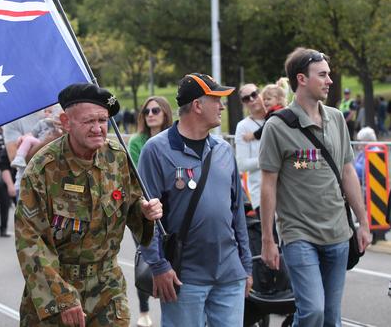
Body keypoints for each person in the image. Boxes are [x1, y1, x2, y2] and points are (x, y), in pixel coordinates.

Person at [15, 83, 163, 326]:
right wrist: (62, 297)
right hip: (56, 286)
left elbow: (133, 206)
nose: (98, 129)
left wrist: (145, 212)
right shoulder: (43, 168)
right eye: (88, 122)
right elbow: (31, 241)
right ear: (66, 121)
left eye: (103, 120)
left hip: (107, 286)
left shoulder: (117, 158)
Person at [259, 48, 372, 326]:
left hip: (338, 234)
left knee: (332, 318)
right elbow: (268, 185)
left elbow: (347, 172)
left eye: (329, 74)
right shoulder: (277, 126)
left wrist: (364, 222)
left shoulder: (335, 118)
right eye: (322, 75)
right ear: (302, 79)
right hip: (299, 236)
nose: (329, 81)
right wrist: (268, 239)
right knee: (312, 312)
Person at [139, 73, 252, 327]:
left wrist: (246, 265)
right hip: (182, 277)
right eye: (216, 100)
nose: (222, 106)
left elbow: (237, 212)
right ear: (198, 106)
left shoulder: (223, 149)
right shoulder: (156, 150)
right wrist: (158, 266)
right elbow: (144, 218)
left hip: (230, 275)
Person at [127, 96, 173, 327]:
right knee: (146, 261)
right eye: (146, 111)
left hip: (171, 212)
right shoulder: (137, 142)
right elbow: (140, 177)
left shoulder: (174, 139)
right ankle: (144, 310)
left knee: (172, 262)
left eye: (156, 110)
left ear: (165, 112)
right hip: (143, 212)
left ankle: (172, 310)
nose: (151, 114)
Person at [235, 83, 266, 213]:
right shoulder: (243, 127)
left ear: (260, 94)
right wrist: (270, 159)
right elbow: (242, 164)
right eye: (246, 98)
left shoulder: (278, 117)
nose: (252, 100)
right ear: (243, 103)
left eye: (254, 94)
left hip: (287, 192)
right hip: (261, 193)